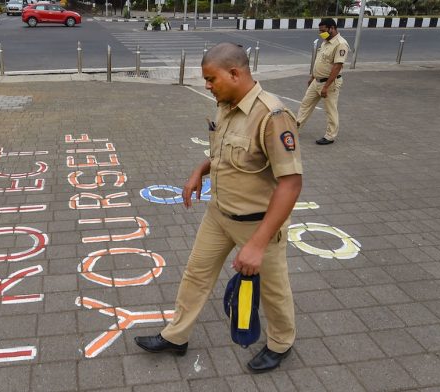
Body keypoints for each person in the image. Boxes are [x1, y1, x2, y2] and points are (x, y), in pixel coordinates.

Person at [134, 42, 303, 374]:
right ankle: (176, 336)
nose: (208, 86)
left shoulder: (273, 116)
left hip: (258, 225)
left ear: (235, 73)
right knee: (195, 275)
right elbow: (224, 153)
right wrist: (200, 170)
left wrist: (256, 245)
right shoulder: (226, 104)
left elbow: (291, 183)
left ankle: (281, 342)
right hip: (219, 213)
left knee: (273, 291)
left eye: (211, 79)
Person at [296, 18, 350, 145]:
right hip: (317, 81)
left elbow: (337, 67)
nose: (321, 34)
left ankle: (330, 136)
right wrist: (313, 77)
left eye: (323, 31)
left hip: (329, 83)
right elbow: (320, 62)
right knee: (305, 104)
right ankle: (295, 128)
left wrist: (326, 86)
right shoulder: (326, 41)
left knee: (330, 110)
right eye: (320, 31)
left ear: (332, 28)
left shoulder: (340, 44)